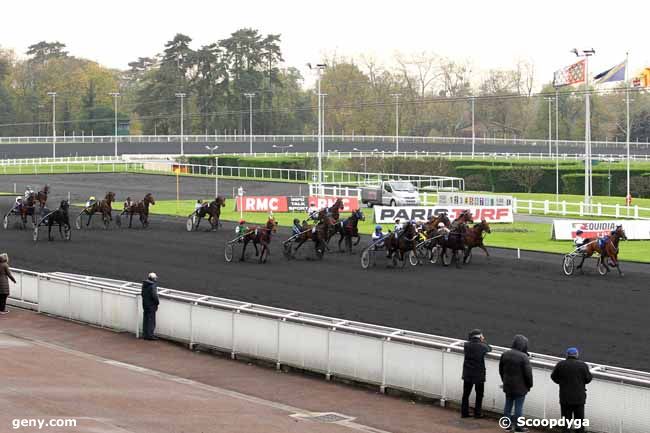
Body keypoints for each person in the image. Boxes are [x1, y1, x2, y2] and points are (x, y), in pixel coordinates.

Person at [551, 348, 592, 433]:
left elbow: (553, 377)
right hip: (579, 398)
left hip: (565, 397)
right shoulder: (583, 365)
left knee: (566, 421)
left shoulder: (560, 364)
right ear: (577, 355)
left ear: (567, 355)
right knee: (579, 422)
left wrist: (561, 383)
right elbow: (588, 379)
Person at [499, 334, 533, 432]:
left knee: (508, 405)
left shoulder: (505, 354)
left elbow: (501, 370)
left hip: (508, 385)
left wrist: (504, 381)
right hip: (520, 387)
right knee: (519, 407)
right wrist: (529, 385)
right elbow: (528, 374)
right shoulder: (524, 357)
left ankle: (507, 425)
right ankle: (518, 427)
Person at [461, 329, 492, 418]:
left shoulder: (466, 345)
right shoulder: (482, 346)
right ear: (479, 337)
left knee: (466, 394)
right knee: (479, 394)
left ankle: (464, 413)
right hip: (478, 374)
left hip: (467, 373)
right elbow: (489, 348)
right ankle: (477, 413)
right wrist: (483, 341)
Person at [141, 272, 159, 340]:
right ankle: (150, 335)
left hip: (145, 305)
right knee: (151, 320)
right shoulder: (153, 285)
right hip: (151, 306)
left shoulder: (144, 284)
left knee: (146, 320)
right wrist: (157, 303)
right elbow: (154, 296)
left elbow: (142, 294)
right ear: (153, 279)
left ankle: (145, 334)